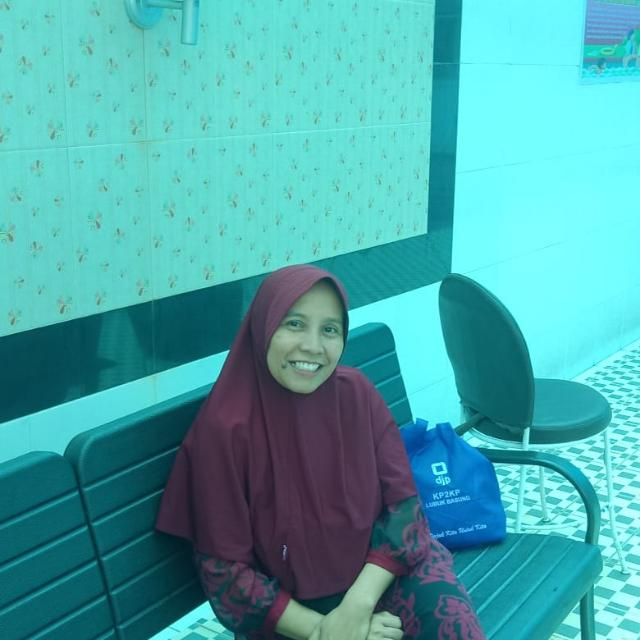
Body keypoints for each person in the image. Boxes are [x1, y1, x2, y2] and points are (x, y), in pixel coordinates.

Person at [156, 264, 485, 640]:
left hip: (382, 573)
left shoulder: (356, 395)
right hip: (288, 611)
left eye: (329, 329)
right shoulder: (224, 431)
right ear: (263, 327)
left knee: (452, 628)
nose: (313, 346)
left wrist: (357, 607)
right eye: (294, 324)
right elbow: (228, 576)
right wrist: (332, 630)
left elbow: (404, 509)